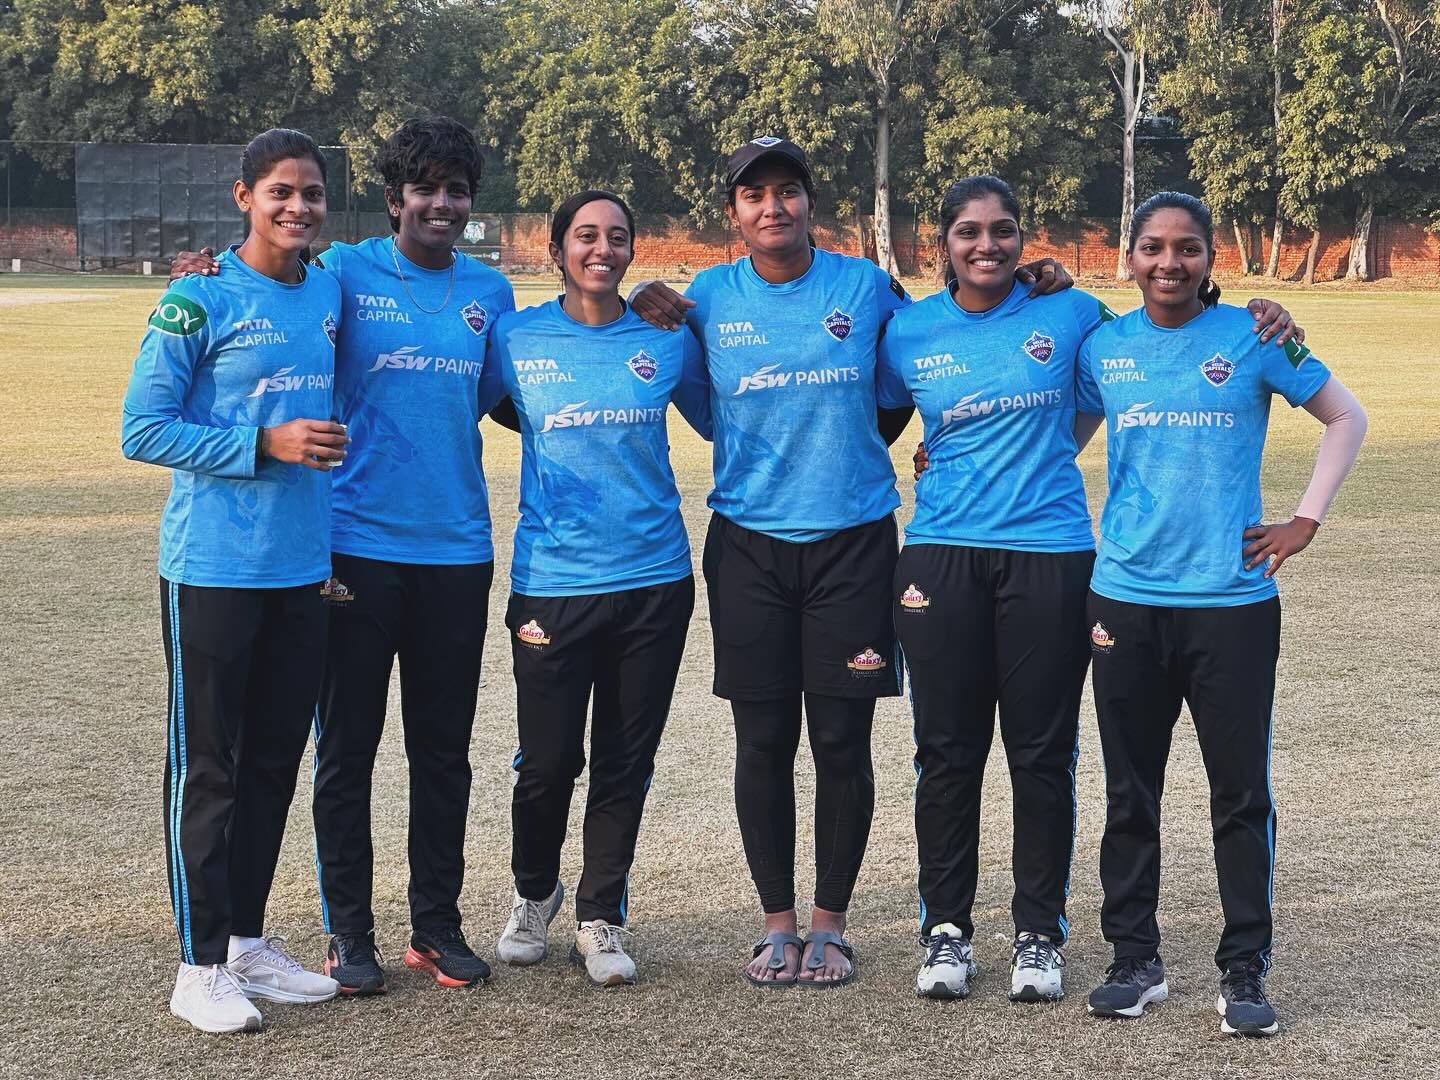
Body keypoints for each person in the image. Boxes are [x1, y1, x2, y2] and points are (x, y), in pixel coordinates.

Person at [630, 138, 1074, 988]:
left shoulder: (867, 288)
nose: (773, 207)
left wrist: (1033, 276)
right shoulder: (708, 299)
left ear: (809, 202)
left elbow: (915, 363)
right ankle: (777, 926)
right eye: (755, 195)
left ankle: (830, 925)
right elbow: (695, 398)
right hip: (749, 545)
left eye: (788, 191)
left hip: (856, 543)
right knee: (762, 741)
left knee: (841, 739)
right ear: (733, 213)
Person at [878, 176, 1306, 1005]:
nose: (987, 246)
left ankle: (1039, 934)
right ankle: (947, 931)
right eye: (968, 233)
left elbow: (1158, 346)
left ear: (1023, 240)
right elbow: (881, 421)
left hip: (1051, 554)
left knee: (1042, 753)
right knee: (946, 752)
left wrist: (1272, 320)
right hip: (939, 555)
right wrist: (935, 457)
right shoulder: (907, 330)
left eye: (1003, 231)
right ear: (942, 246)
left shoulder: (1073, 315)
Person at [169, 117, 517, 995]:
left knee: (443, 751)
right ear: (393, 196)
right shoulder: (344, 272)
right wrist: (204, 264)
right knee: (346, 750)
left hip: (456, 547)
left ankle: (435, 926)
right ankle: (347, 932)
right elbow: (265, 278)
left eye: (455, 189)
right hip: (350, 548)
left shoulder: (492, 292)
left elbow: (497, 397)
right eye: (423, 188)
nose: (440, 203)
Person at [1075, 191, 1366, 1035]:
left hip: (1232, 605)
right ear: (1129, 258)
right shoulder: (1104, 347)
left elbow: (1347, 416)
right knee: (1130, 790)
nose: (1170, 263)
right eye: (1153, 248)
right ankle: (1134, 958)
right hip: (1124, 599)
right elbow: (1064, 434)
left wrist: (1305, 518)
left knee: (1239, 794)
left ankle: (1244, 969)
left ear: (1210, 259)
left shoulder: (1256, 335)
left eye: (1188, 249)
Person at [122, 128, 347, 1034]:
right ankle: (198, 963)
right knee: (206, 769)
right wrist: (263, 443)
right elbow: (143, 429)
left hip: (302, 572)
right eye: (280, 192)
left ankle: (248, 943)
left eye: (312, 194)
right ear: (242, 197)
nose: (297, 208)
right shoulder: (195, 296)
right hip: (213, 568)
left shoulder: (329, 287)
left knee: (271, 763)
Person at [489, 190, 712, 987]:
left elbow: (727, 419)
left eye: (618, 236)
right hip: (552, 582)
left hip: (654, 579)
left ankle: (601, 913)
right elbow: (479, 407)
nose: (602, 249)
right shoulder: (515, 337)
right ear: (557, 250)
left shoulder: (666, 337)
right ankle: (532, 891)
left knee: (626, 758)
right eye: (586, 236)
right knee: (548, 762)